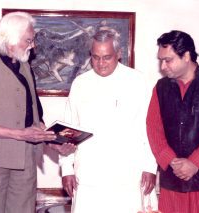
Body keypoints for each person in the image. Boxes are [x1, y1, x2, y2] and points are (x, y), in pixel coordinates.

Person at [0, 12, 75, 213]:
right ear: (10, 40)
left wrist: (51, 140)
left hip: (25, 159)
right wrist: (19, 134)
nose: (33, 46)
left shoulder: (25, 67)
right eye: (29, 40)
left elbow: (35, 116)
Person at [59, 29, 158, 213]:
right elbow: (68, 129)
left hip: (129, 175)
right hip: (89, 176)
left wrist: (150, 166)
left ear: (119, 54)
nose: (101, 63)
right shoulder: (80, 84)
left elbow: (150, 128)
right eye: (96, 57)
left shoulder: (138, 81)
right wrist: (67, 169)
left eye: (107, 57)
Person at [146, 30, 199, 213]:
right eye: (161, 60)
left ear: (186, 56)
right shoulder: (160, 88)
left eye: (168, 60)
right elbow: (153, 129)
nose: (162, 66)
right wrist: (171, 161)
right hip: (173, 182)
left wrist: (195, 162)